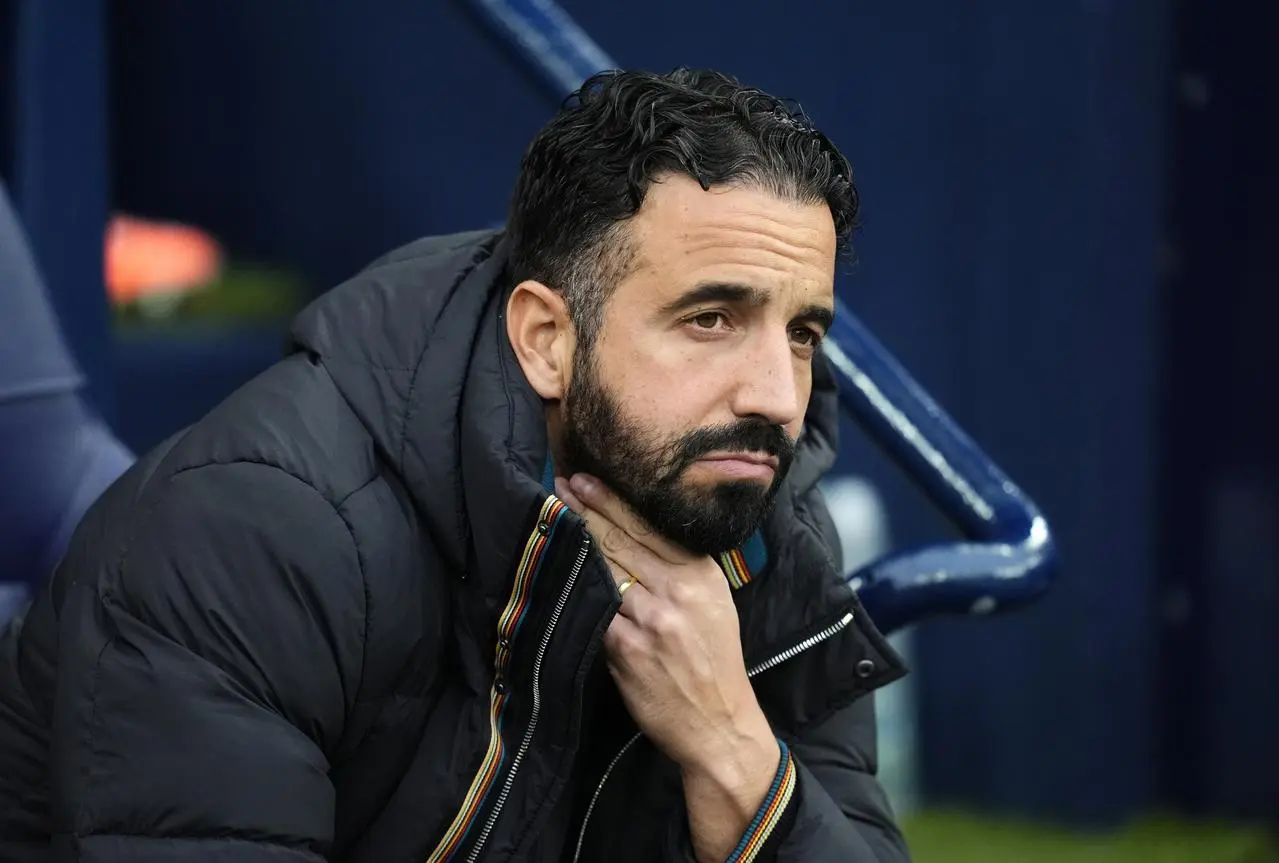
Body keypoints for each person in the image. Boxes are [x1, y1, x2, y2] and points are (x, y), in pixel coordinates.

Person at [0, 68, 909, 862]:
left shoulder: (753, 524)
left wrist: (732, 751)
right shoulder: (255, 532)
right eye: (710, 318)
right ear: (545, 339)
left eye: (801, 333)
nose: (777, 397)